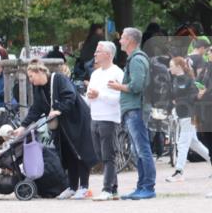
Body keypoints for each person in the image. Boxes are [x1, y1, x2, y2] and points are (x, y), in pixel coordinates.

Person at [14, 61, 96, 199]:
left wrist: (58, 109)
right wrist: (23, 126)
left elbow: (70, 96)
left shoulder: (58, 79)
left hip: (77, 122)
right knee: (67, 155)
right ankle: (71, 187)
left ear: (39, 72)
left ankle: (84, 187)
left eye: (31, 76)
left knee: (79, 153)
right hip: (62, 127)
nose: (30, 80)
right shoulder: (39, 89)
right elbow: (36, 109)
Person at [107, 27, 156, 200]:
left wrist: (117, 86)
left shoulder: (136, 60)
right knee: (137, 150)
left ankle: (148, 187)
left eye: (122, 38)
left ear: (130, 40)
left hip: (137, 110)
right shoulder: (134, 59)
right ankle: (141, 186)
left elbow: (136, 86)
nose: (119, 41)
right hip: (133, 110)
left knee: (142, 149)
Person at [85, 41, 123, 200]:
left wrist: (99, 95)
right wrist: (90, 96)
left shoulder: (117, 73)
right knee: (100, 154)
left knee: (108, 155)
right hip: (95, 116)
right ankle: (113, 188)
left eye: (98, 51)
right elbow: (90, 94)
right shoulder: (95, 74)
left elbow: (118, 98)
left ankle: (107, 189)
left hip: (109, 118)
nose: (95, 54)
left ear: (108, 54)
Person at [165, 56, 211, 182]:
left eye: (171, 66)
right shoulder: (174, 80)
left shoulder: (189, 80)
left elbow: (194, 97)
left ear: (179, 66)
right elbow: (173, 97)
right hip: (182, 114)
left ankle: (179, 172)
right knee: (193, 143)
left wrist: (178, 101)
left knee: (183, 143)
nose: (170, 68)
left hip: (190, 115)